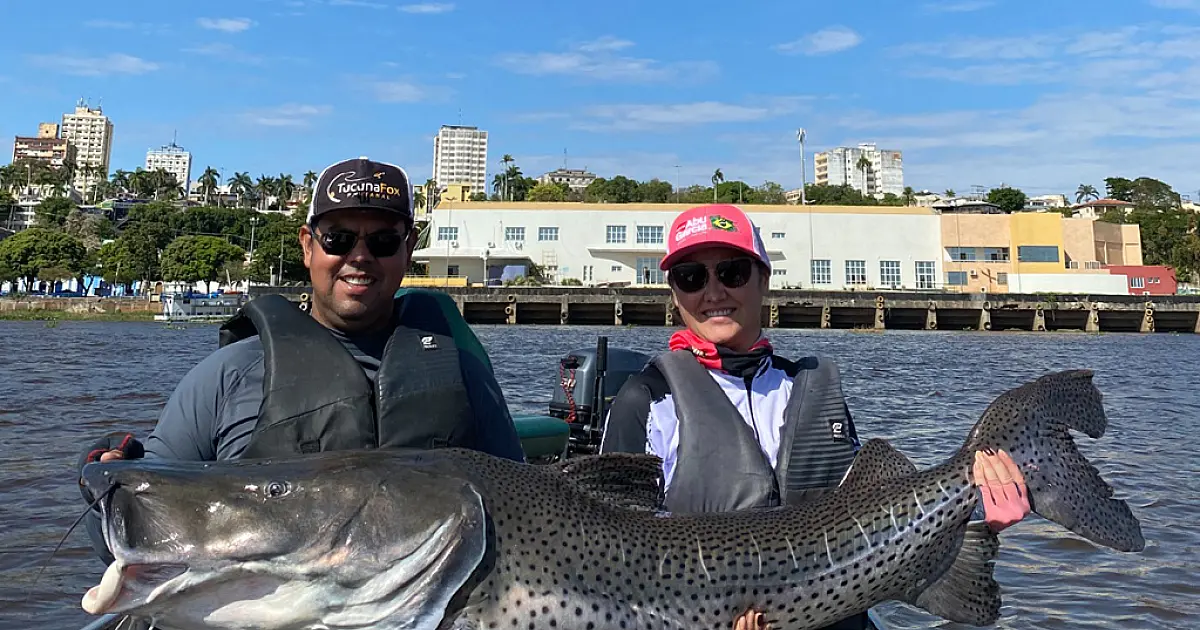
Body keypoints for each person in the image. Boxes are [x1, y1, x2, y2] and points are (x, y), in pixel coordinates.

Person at [600, 204, 1030, 630]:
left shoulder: (810, 388)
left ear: (763, 279)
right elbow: (614, 568)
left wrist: (976, 510)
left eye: (732, 272)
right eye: (691, 278)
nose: (713, 293)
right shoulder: (647, 401)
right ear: (674, 292)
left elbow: (880, 517)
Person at [77, 156, 526, 564]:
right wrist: (104, 476)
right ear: (308, 245)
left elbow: (524, 511)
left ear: (408, 247)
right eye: (339, 238)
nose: (360, 257)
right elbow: (127, 535)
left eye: (384, 241)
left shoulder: (463, 375)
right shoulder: (226, 378)